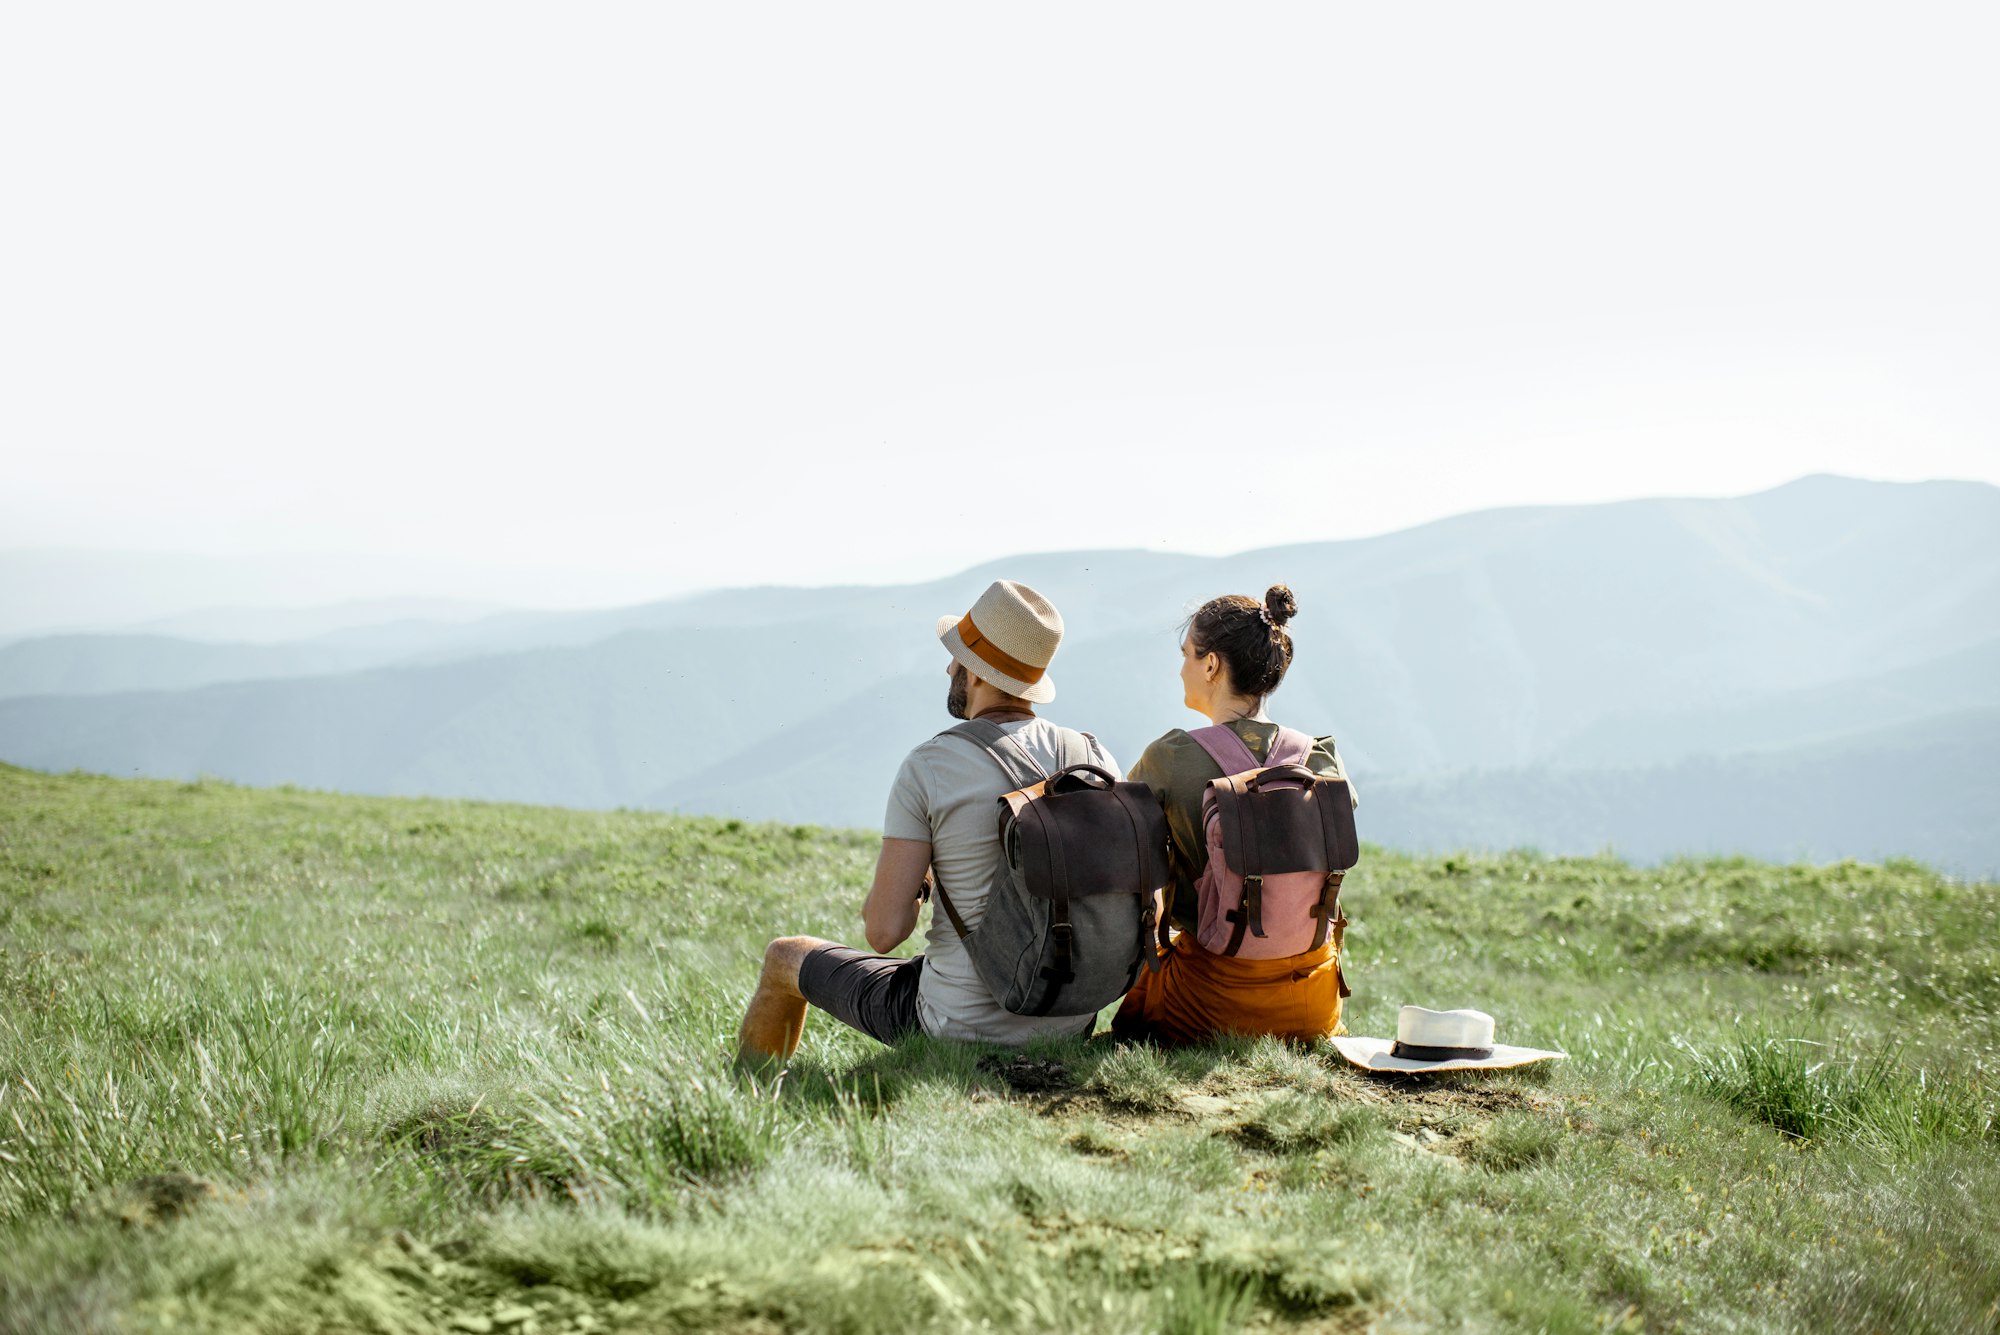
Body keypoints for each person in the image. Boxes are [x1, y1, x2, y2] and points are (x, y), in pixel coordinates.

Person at [735, 578, 1120, 1067]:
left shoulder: (932, 766)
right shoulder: (1093, 756)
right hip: (1072, 1018)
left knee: (784, 957)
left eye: (957, 657)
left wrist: (923, 882)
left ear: (977, 674)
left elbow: (884, 932)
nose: (949, 666)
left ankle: (746, 1098)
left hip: (955, 1025)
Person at [1111, 584, 1358, 1046]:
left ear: (1211, 665)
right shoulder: (1321, 758)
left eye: (1186, 655)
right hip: (1313, 1001)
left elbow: (1118, 845)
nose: (1180, 668)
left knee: (1133, 1021)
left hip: (1208, 999)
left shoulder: (1170, 757)